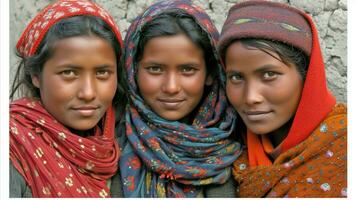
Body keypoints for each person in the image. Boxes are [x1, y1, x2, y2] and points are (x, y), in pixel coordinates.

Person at [218, 0, 347, 197]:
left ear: (307, 76)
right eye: (236, 77)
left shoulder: (344, 148)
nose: (251, 97)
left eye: (269, 75)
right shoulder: (227, 146)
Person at [117, 0, 242, 197]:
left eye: (187, 70)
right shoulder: (106, 145)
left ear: (210, 73)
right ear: (133, 70)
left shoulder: (238, 141)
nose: (171, 87)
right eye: (155, 69)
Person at [9, 0, 125, 197]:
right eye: (69, 73)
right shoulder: (14, 142)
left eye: (102, 73)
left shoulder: (120, 143)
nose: (88, 93)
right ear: (36, 75)